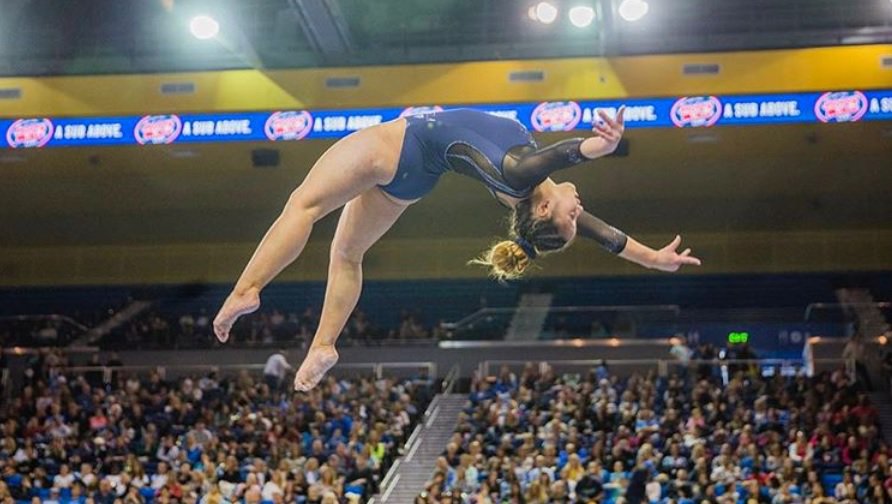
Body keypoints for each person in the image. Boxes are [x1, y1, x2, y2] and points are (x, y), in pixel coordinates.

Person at [213, 107, 701, 391]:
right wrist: (656, 259)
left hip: (396, 144)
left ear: (543, 209)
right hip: (416, 179)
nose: (581, 210)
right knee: (346, 255)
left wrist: (603, 147)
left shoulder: (522, 171)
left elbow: (565, 153)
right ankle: (323, 345)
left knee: (303, 205)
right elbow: (608, 237)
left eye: (571, 217)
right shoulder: (525, 190)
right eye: (577, 219)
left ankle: (248, 289)